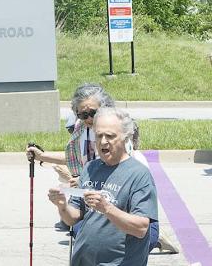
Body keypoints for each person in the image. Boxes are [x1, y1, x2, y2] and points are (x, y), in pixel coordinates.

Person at [26, 83, 178, 253]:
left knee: (97, 233)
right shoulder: (83, 131)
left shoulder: (125, 147)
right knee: (74, 226)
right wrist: (42, 157)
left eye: (92, 113)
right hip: (95, 203)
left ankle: (153, 238)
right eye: (82, 114)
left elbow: (109, 173)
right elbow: (76, 160)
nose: (88, 118)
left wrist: (83, 182)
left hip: (122, 207)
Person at [48, 107, 158, 265]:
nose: (103, 141)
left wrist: (107, 208)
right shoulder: (90, 168)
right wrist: (62, 206)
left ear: (125, 137)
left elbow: (141, 228)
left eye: (110, 136)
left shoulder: (139, 174)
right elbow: (72, 218)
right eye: (99, 135)